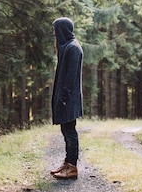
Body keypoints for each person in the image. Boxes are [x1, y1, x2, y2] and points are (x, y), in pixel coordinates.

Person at [50, 17, 83, 180]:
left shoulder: (73, 48)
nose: (54, 34)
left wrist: (63, 97)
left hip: (69, 98)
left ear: (63, 29)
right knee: (66, 130)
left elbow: (71, 77)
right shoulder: (67, 47)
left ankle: (72, 167)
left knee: (70, 132)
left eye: (55, 30)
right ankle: (67, 163)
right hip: (66, 97)